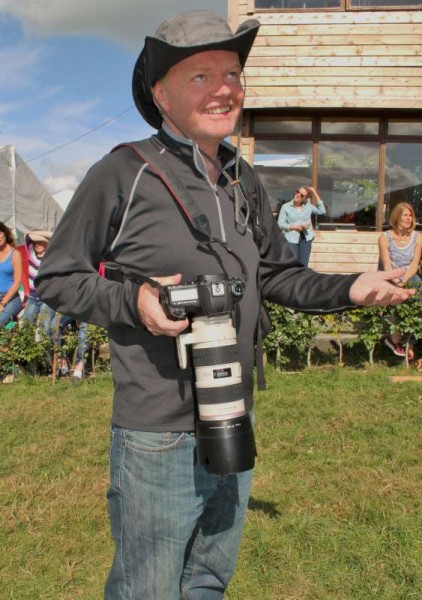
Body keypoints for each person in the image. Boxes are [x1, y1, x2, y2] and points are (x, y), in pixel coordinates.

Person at [35, 10, 415, 599]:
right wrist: (134, 299)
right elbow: (57, 277)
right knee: (149, 589)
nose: (224, 89)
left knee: (209, 580)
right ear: (160, 94)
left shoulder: (242, 179)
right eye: (200, 76)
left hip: (235, 414)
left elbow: (279, 275)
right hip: (157, 430)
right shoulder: (122, 171)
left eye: (233, 73)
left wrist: (351, 287)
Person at [379, 202, 422, 357]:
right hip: (390, 275)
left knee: (419, 295)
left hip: (409, 276)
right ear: (397, 216)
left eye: (410, 215)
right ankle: (395, 340)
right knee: (393, 298)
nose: (409, 218)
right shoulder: (385, 237)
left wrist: (404, 281)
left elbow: (414, 265)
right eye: (405, 215)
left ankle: (411, 343)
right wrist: (396, 283)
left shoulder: (418, 237)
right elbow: (387, 266)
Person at [277, 186, 326, 266]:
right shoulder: (285, 207)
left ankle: (303, 279)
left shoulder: (308, 206)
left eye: (302, 195)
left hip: (306, 239)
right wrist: (293, 227)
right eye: (297, 192)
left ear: (305, 198)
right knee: (293, 264)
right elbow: (280, 224)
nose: (298, 195)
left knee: (303, 265)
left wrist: (315, 193)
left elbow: (322, 211)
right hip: (291, 239)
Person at [21, 231, 56, 333]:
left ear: (47, 243)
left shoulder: (53, 257)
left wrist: (42, 235)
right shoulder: (30, 252)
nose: (37, 244)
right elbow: (27, 235)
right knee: (26, 327)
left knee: (45, 329)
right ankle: (27, 348)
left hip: (47, 298)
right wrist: (35, 233)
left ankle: (44, 349)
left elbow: (55, 236)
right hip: (32, 297)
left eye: (40, 241)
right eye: (35, 242)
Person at [0, 221, 23, 328]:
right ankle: (11, 326)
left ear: (4, 233)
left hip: (11, 299)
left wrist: (3, 303)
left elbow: (18, 282)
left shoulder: (15, 254)